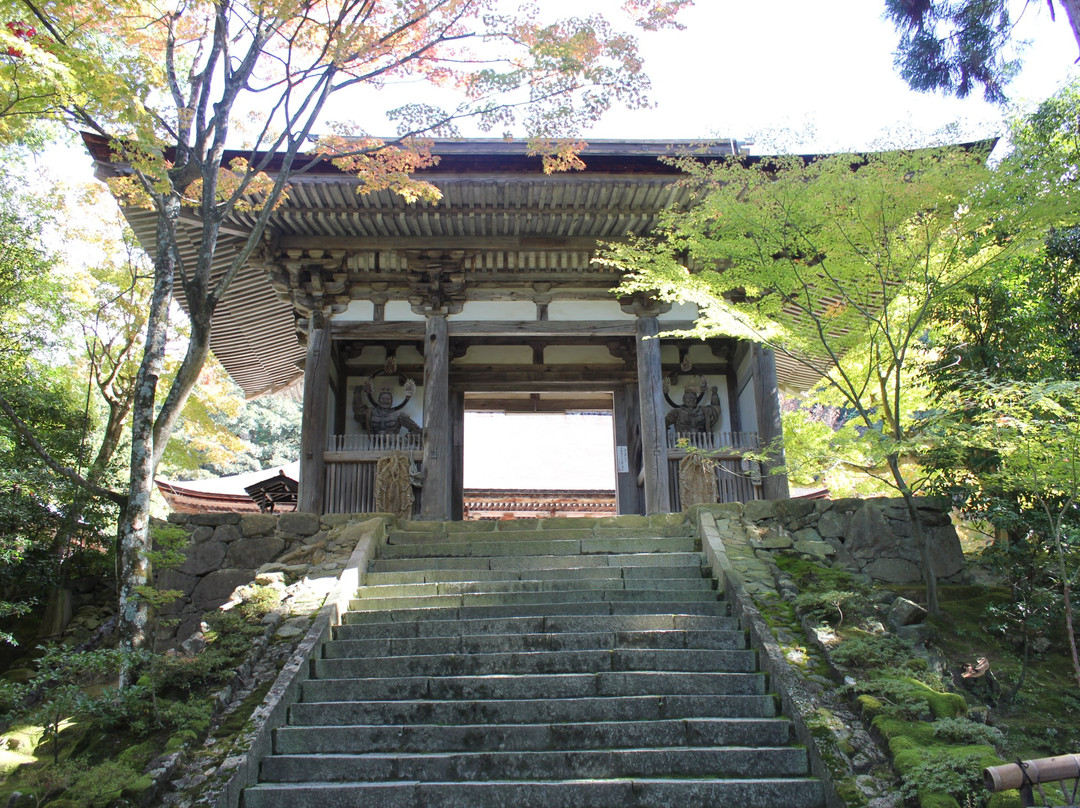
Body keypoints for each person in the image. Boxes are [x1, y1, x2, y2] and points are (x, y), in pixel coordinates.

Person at [354, 378, 421, 436]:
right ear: (379, 400)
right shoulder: (370, 412)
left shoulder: (398, 415)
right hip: (374, 445)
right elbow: (358, 413)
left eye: (388, 399)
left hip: (393, 445)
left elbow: (417, 429)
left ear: (391, 402)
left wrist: (410, 437)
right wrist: (357, 393)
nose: (385, 401)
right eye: (383, 399)